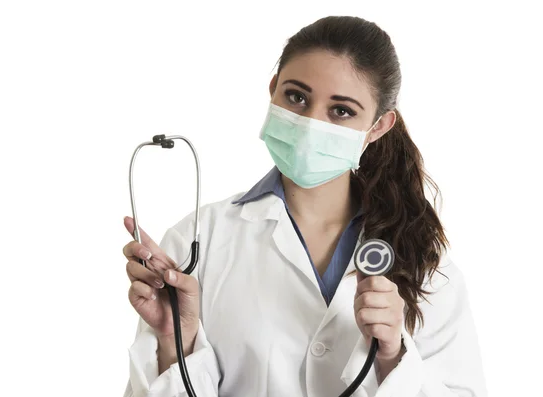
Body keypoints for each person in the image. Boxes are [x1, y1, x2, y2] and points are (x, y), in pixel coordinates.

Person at [121, 15, 487, 397]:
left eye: (341, 111)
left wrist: (393, 357)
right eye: (296, 97)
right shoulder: (200, 239)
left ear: (378, 127)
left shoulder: (424, 256)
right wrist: (175, 340)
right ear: (273, 89)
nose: (311, 123)